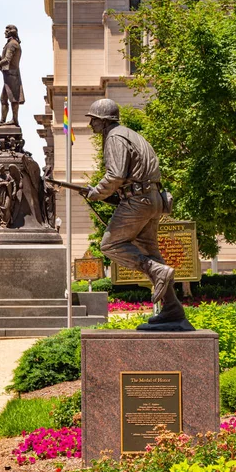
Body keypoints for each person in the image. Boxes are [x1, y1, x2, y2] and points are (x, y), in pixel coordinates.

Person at [82, 98, 184, 324]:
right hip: (153, 199)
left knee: (110, 245)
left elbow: (116, 175)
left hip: (138, 201)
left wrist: (97, 192)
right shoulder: (132, 134)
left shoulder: (114, 137)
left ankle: (157, 272)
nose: (91, 125)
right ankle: (173, 309)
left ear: (104, 120)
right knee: (150, 253)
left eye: (94, 120)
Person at [0, 25, 25, 127]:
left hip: (12, 75)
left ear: (11, 32)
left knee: (13, 98)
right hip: (10, 75)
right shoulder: (12, 43)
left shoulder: (12, 44)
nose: (5, 33)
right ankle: (4, 121)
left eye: (6, 31)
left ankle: (14, 120)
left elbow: (7, 59)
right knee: (4, 99)